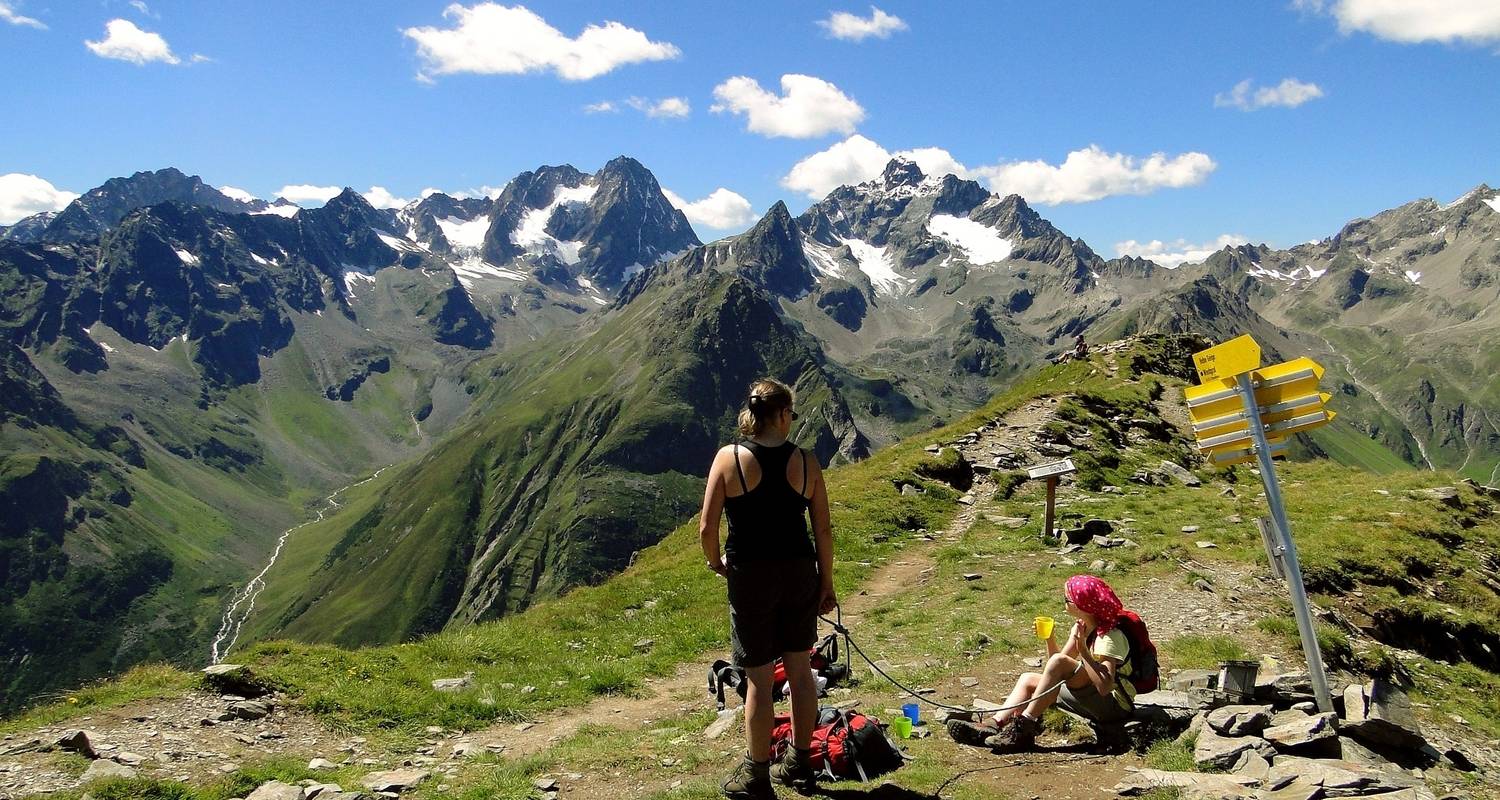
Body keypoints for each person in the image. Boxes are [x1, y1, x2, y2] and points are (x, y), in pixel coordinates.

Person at [699, 378, 838, 800]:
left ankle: (757, 774)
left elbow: (707, 527)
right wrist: (826, 583)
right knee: (800, 672)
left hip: (751, 575)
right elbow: (823, 529)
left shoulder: (730, 458)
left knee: (758, 679)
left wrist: (716, 562)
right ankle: (800, 763)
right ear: (781, 415)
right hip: (799, 572)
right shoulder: (807, 461)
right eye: (791, 414)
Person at [947, 574, 1136, 752]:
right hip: (1092, 696)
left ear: (1082, 606)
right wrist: (1049, 639)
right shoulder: (1083, 627)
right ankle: (994, 724)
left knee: (1059, 664)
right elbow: (1055, 669)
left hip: (1114, 707)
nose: (1064, 602)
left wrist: (1084, 651)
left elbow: (1105, 686)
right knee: (1028, 678)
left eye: (1067, 599)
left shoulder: (1109, 637)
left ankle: (1024, 728)